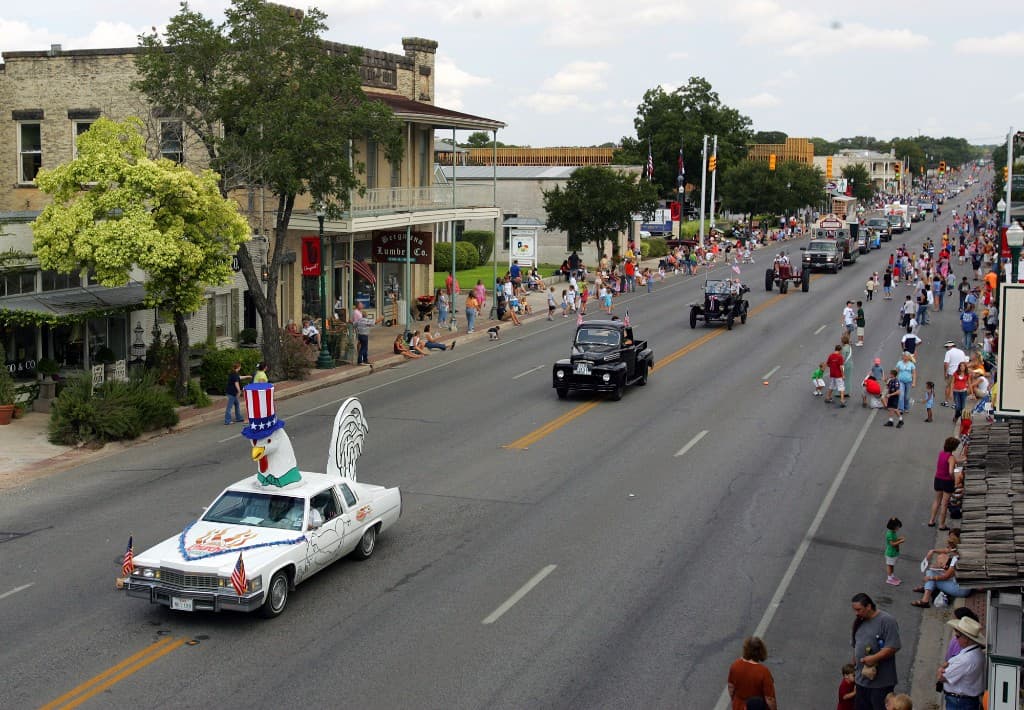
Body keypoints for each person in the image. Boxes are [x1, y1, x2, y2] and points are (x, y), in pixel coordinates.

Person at [850, 593, 901, 710]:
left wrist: (873, 658)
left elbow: (893, 647)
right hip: (861, 680)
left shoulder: (887, 621)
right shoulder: (858, 622)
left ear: (868, 606)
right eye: (854, 610)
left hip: (881, 684)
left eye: (859, 609)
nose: (856, 613)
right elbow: (855, 646)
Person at [937, 617, 986, 709]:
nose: (956, 639)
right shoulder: (977, 652)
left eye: (958, 636)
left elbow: (942, 677)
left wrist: (940, 669)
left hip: (959, 703)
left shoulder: (965, 660)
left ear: (966, 639)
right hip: (966, 701)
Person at [726, 636, 777, 710]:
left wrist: (735, 701)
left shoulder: (735, 665)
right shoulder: (763, 672)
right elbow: (769, 699)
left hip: (738, 705)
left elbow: (731, 687)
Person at [884, 517, 904, 586]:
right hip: (890, 553)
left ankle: (892, 576)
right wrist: (900, 541)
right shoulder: (890, 534)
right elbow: (892, 543)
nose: (898, 528)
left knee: (892, 565)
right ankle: (889, 579)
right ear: (893, 527)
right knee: (889, 565)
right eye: (897, 527)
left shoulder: (893, 532)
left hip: (894, 552)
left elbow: (894, 539)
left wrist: (898, 539)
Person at [224, 361, 244, 425]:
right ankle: (227, 420)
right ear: (238, 367)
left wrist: (248, 376)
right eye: (240, 366)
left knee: (237, 404)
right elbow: (236, 383)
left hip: (231, 392)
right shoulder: (235, 374)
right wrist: (239, 391)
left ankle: (239, 417)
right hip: (232, 393)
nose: (240, 368)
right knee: (229, 407)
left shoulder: (233, 373)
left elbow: (239, 377)